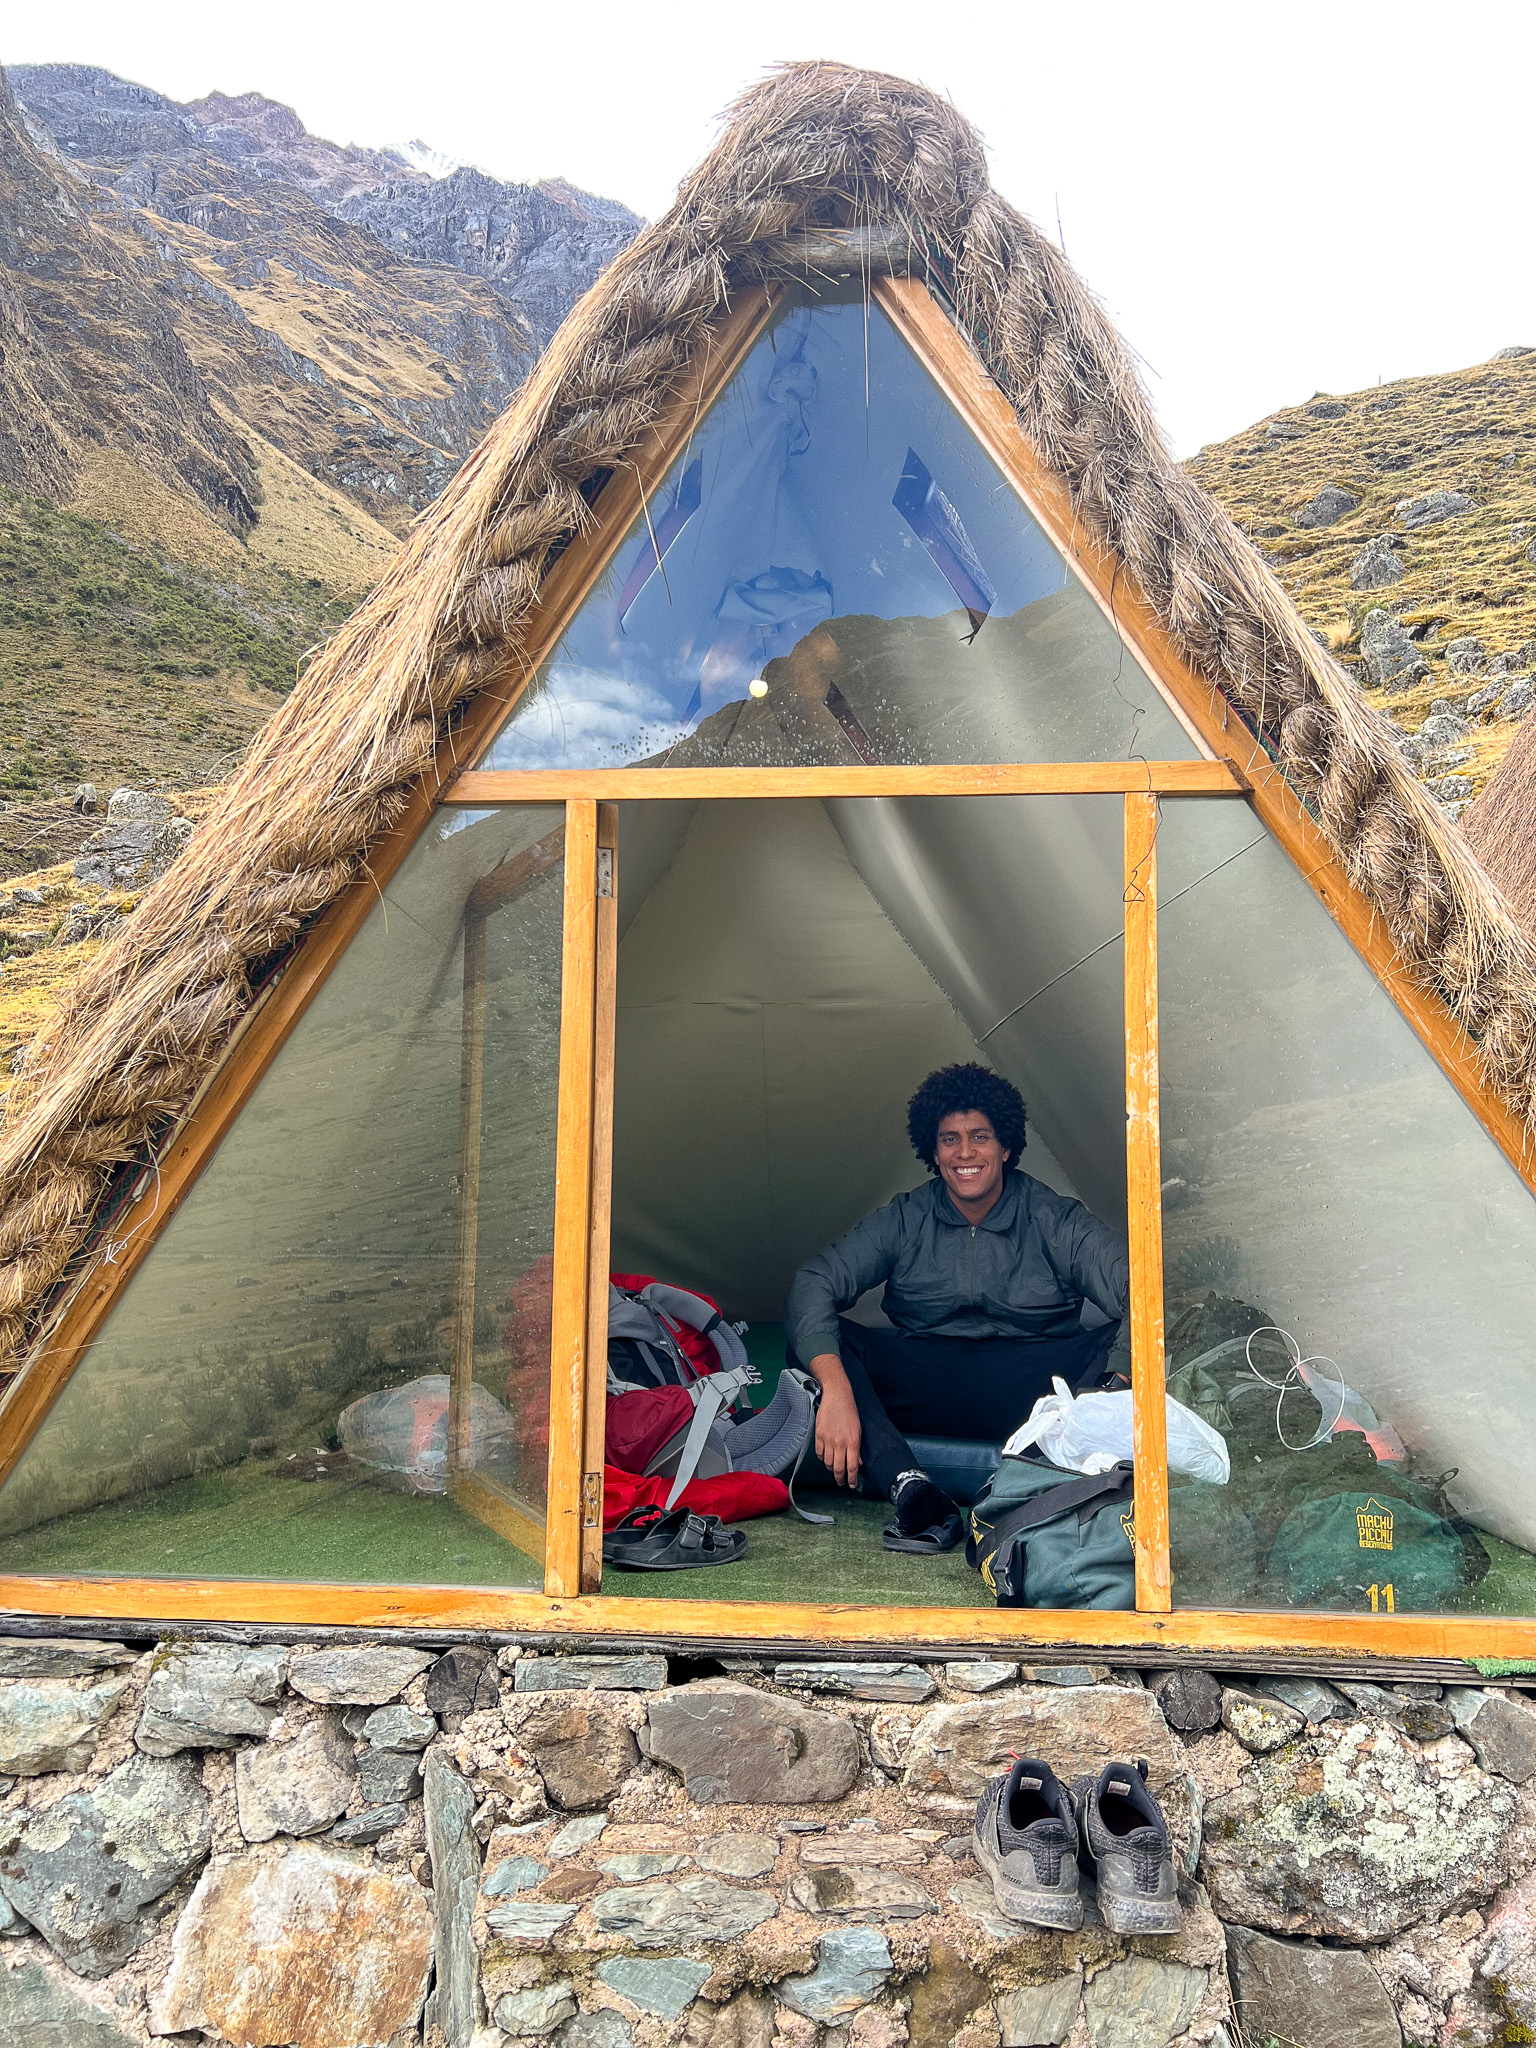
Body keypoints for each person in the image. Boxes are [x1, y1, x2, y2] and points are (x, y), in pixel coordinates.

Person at [784, 1064, 1130, 1553]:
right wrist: (836, 1390)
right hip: (927, 1377)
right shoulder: (907, 1216)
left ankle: (1029, 1480)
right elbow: (814, 1282)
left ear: (1005, 1146)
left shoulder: (1053, 1217)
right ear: (933, 1150)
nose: (964, 1153)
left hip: (1031, 1387)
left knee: (1133, 1331)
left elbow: (1140, 1288)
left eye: (980, 1137)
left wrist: (1114, 1388)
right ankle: (911, 1488)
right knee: (815, 1342)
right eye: (949, 1140)